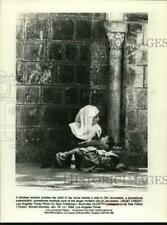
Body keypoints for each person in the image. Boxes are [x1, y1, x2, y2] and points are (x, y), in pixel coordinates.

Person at [41, 105, 125, 171]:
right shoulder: (73, 128)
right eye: (95, 117)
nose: (98, 119)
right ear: (87, 118)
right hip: (75, 158)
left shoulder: (97, 130)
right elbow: (67, 146)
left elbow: (101, 146)